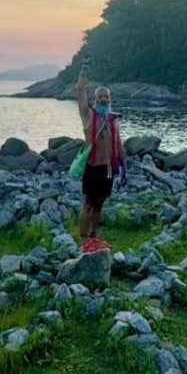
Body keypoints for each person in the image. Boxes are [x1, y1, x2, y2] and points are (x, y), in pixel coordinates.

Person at [75, 72, 126, 252]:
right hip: (92, 168)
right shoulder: (89, 115)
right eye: (100, 97)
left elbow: (118, 143)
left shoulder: (114, 119)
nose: (103, 99)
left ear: (110, 99)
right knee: (88, 203)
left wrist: (124, 167)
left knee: (99, 205)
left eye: (106, 97)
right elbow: (81, 100)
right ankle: (83, 242)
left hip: (109, 169)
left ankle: (93, 238)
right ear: (95, 99)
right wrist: (81, 87)